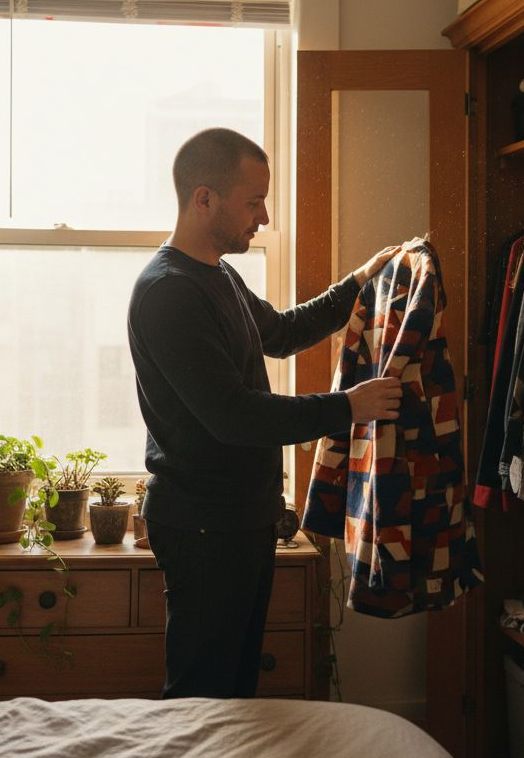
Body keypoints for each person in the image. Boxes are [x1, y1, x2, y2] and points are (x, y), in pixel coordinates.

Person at [127, 127, 401, 699]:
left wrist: (358, 282)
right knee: (203, 696)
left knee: (235, 693)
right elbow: (234, 416)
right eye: (254, 202)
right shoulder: (168, 293)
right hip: (204, 525)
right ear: (204, 199)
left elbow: (281, 332)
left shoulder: (218, 274)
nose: (265, 217)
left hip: (240, 518)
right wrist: (348, 407)